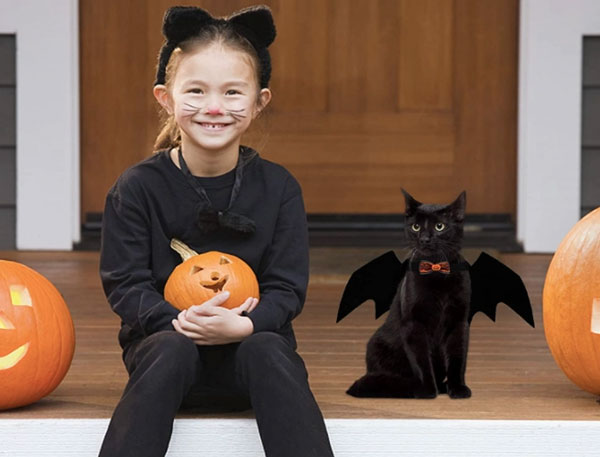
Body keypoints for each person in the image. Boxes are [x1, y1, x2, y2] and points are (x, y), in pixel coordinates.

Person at [98, 5, 335, 457]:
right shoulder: (138, 188)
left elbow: (286, 288)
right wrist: (178, 320)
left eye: (231, 92)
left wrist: (245, 325)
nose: (213, 107)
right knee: (169, 350)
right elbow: (125, 284)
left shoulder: (279, 188)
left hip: (251, 356)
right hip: (166, 354)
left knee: (270, 351)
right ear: (165, 97)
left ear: (259, 101)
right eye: (196, 91)